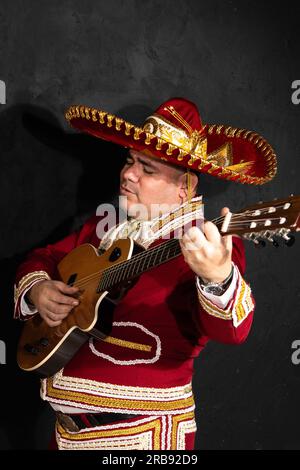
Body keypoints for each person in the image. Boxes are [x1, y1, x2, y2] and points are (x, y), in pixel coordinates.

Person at [14, 97, 277, 450]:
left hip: (142, 437)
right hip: (64, 436)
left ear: (185, 188)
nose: (127, 174)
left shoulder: (209, 245)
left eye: (147, 169)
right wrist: (39, 289)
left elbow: (233, 330)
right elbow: (43, 257)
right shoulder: (105, 230)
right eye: (129, 161)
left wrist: (218, 277)